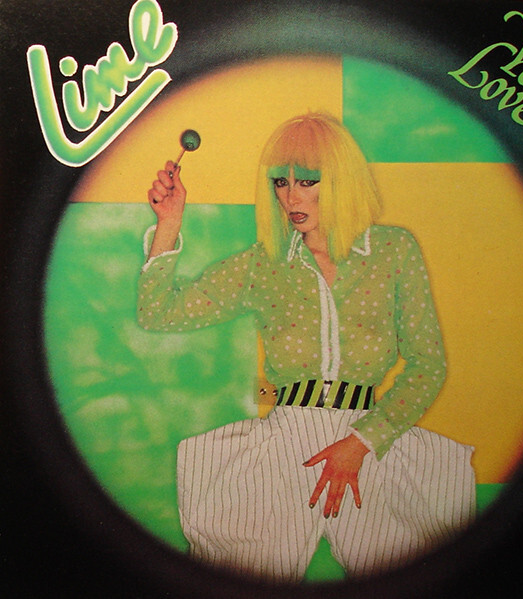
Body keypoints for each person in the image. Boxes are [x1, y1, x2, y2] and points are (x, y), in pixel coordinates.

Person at [137, 113, 475, 582]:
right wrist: (169, 222)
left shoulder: (393, 251)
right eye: (281, 182)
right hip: (284, 449)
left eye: (307, 181)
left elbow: (428, 365)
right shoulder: (264, 264)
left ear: (340, 180)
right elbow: (158, 314)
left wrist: (360, 443)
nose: (291, 197)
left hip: (372, 442)